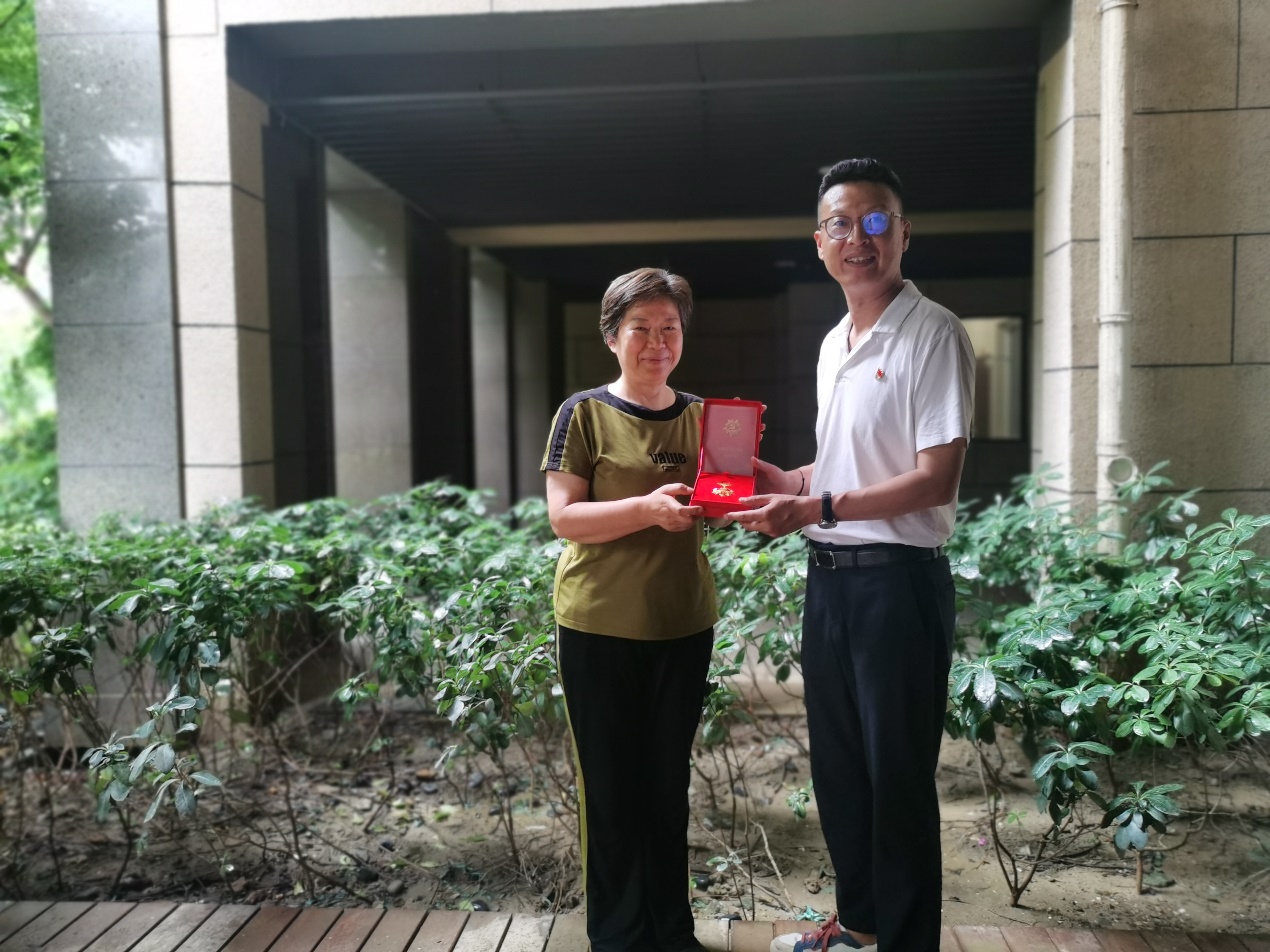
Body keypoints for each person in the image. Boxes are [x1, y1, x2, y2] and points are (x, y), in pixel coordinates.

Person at [730, 158, 975, 952]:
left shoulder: (933, 333)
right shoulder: (836, 341)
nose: (858, 238)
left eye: (875, 222)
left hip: (897, 589)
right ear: (820, 242)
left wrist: (816, 507)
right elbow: (844, 467)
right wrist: (784, 482)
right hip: (830, 583)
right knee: (840, 774)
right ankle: (862, 931)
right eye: (841, 224)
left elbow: (935, 479)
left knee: (897, 780)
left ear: (902, 233)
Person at [541, 267, 716, 952]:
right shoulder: (583, 413)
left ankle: (672, 931)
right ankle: (617, 936)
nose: (657, 342)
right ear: (613, 336)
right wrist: (646, 509)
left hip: (683, 621)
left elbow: (723, 496)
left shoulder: (704, 417)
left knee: (668, 785)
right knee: (610, 788)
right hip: (598, 624)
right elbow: (565, 518)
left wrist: (735, 501)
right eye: (640, 328)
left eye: (669, 328)